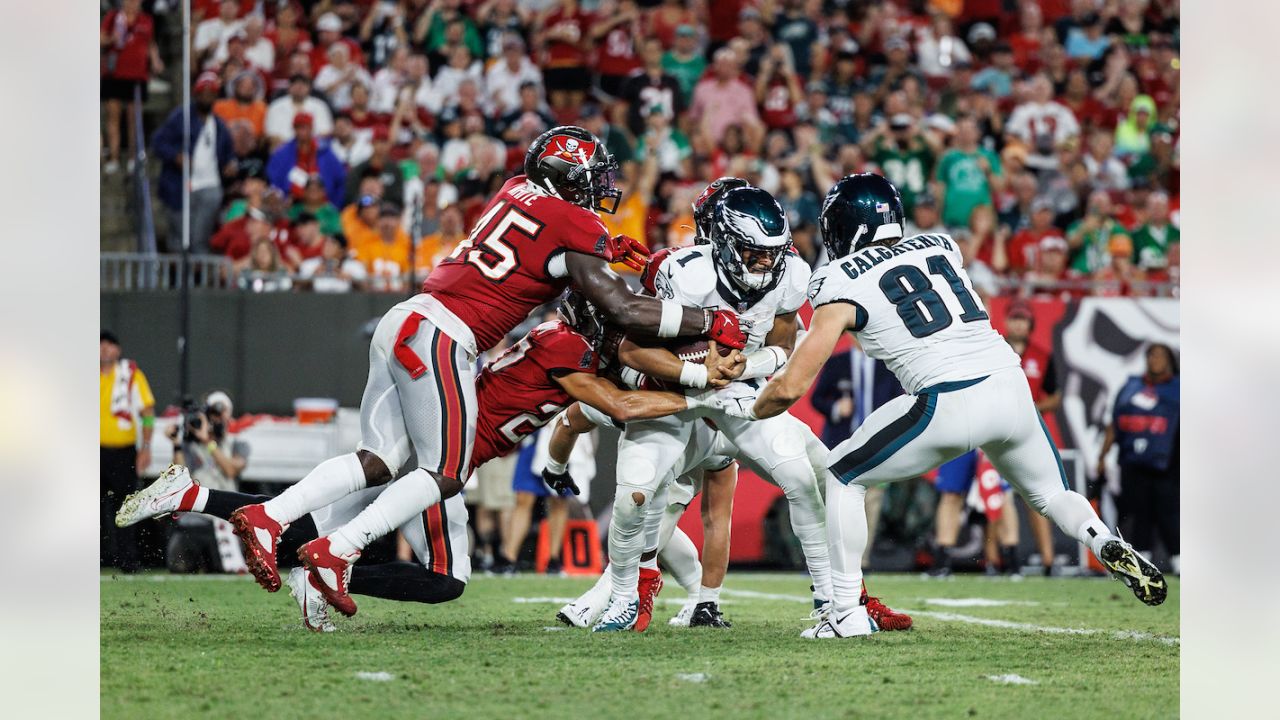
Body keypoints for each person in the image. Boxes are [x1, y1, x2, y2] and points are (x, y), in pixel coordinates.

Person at [228, 126, 746, 617]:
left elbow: (537, 246)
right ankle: (335, 552)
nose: (597, 190)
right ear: (566, 176)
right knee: (446, 474)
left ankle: (271, 515)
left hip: (410, 315)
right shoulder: (570, 292)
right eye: (591, 177)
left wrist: (607, 251)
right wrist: (709, 321)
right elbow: (624, 311)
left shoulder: (515, 188)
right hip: (445, 333)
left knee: (380, 459)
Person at [713, 173, 1167, 639]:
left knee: (842, 474)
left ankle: (845, 613)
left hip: (945, 399)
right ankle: (1102, 538)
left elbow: (793, 384)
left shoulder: (839, 278)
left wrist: (746, 410)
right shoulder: (941, 246)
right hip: (1009, 386)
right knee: (1052, 496)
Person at [592, 187, 829, 633]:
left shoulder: (791, 274)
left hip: (739, 392)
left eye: (772, 253)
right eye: (753, 253)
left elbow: (782, 344)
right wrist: (698, 375)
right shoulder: (683, 274)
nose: (766, 264)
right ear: (721, 241)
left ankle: (830, 601)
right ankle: (622, 599)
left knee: (801, 478)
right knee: (634, 496)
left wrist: (746, 365)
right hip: (678, 392)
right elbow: (632, 352)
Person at [811, 346, 903, 567]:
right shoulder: (837, 362)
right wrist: (835, 407)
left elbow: (900, 400)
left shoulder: (888, 364)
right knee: (832, 499)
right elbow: (817, 398)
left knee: (872, 501)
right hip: (840, 442)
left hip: (877, 443)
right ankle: (827, 560)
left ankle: (860, 562)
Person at [1096, 343, 1180, 575]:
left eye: (1161, 356)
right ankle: (1143, 561)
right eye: (1151, 355)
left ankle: (1179, 560)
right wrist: (1103, 455)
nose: (1155, 360)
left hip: (1169, 463)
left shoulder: (1179, 388)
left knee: (1169, 512)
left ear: (1170, 361)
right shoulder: (1131, 386)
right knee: (1137, 513)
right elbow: (1114, 423)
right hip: (1133, 461)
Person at [163, 391, 250, 572]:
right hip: (196, 520)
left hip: (224, 521)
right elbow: (180, 478)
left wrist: (209, 442)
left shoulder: (236, 444)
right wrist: (177, 443)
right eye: (213, 415)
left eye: (221, 414)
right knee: (178, 565)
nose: (217, 420)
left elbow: (231, 469)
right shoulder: (191, 445)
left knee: (225, 569)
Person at [151, 72, 237, 254]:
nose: (207, 96)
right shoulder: (181, 117)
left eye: (211, 92)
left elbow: (229, 153)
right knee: (180, 238)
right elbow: (158, 142)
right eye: (203, 92)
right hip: (180, 186)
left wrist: (230, 164)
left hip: (210, 185)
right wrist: (176, 156)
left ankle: (197, 280)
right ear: (196, 93)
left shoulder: (219, 125)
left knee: (200, 238)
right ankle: (177, 279)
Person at [100, 331, 155, 572]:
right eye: (100, 345)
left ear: (118, 350)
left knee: (126, 505)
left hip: (122, 451)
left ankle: (128, 559)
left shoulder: (130, 375)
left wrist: (145, 448)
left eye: (109, 345)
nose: (104, 349)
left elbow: (147, 413)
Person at [101, 0, 163, 175]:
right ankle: (113, 158)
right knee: (113, 117)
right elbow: (100, 38)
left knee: (133, 119)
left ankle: (131, 158)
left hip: (137, 76)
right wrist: (112, 38)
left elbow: (151, 43)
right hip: (114, 74)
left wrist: (156, 60)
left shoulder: (146, 20)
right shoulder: (114, 17)